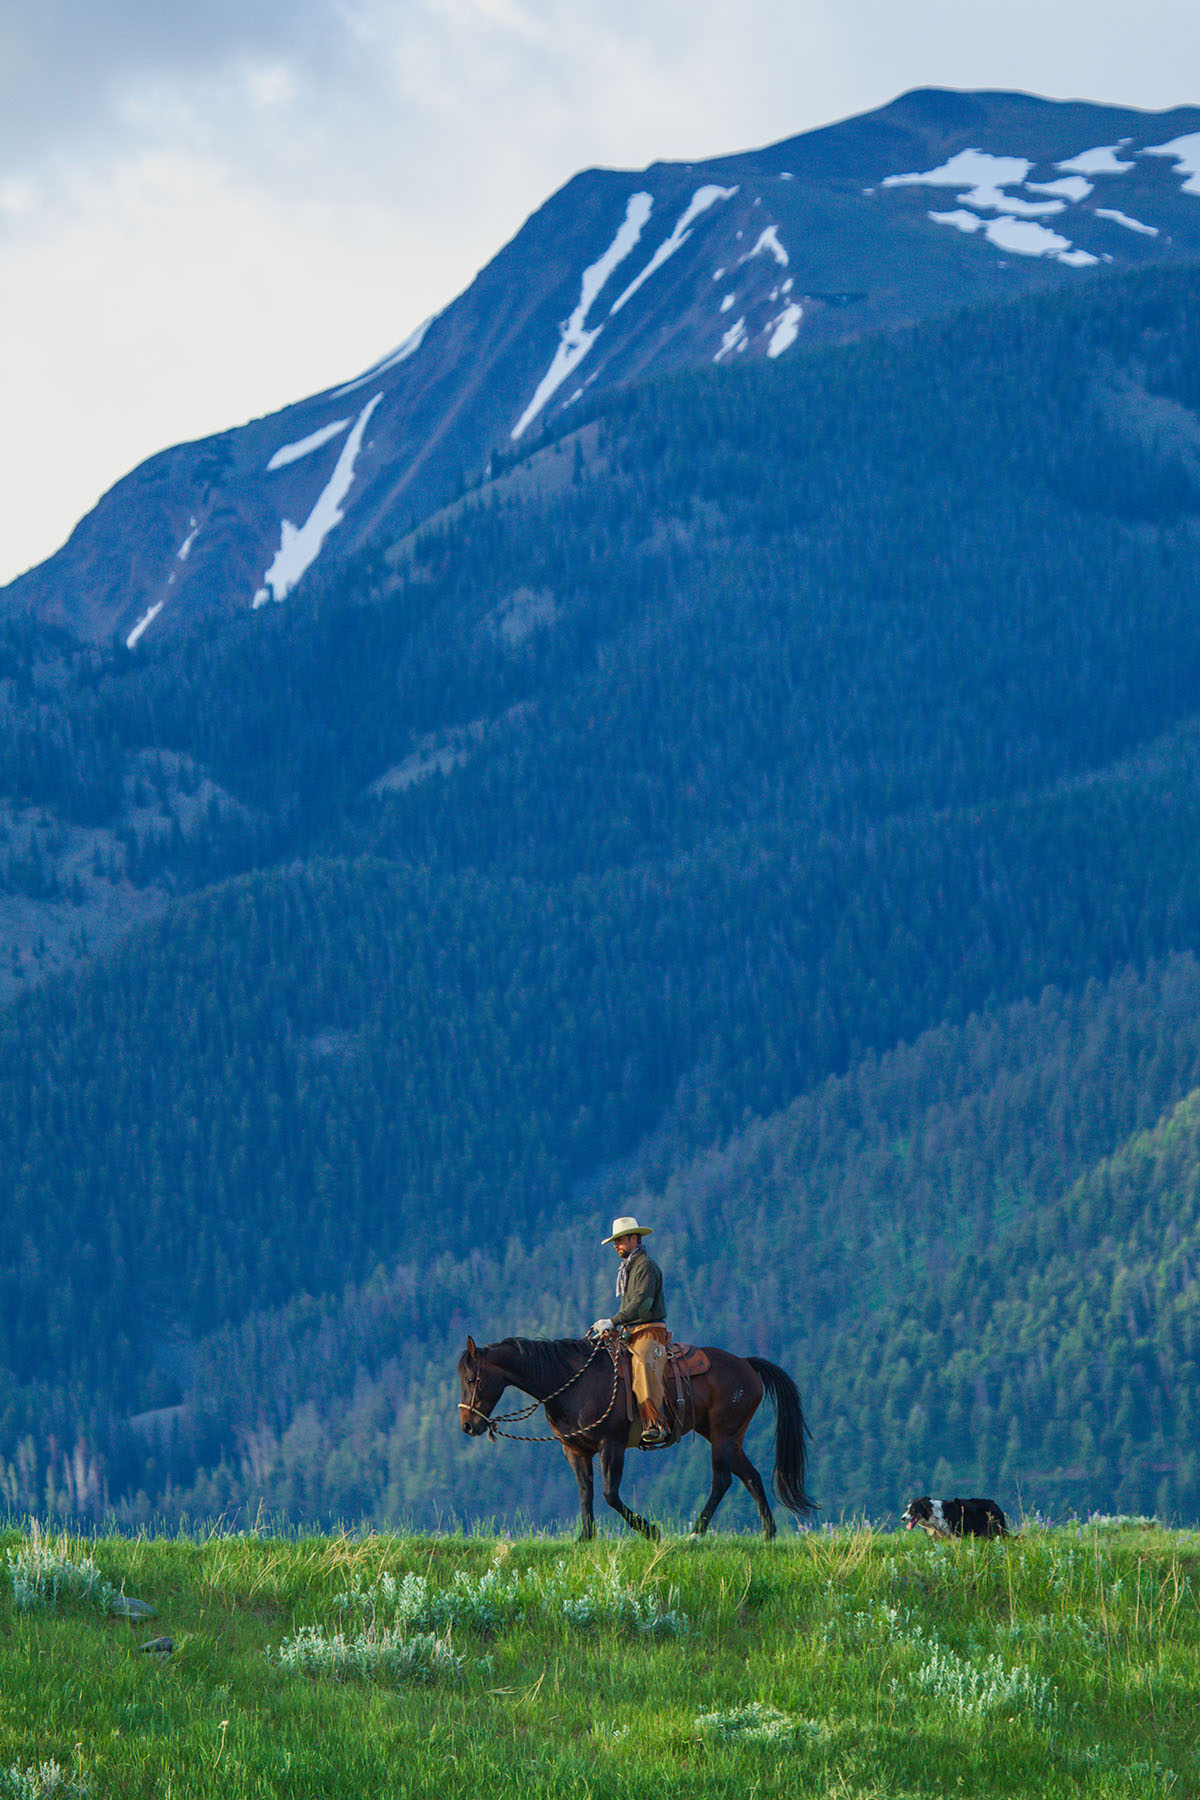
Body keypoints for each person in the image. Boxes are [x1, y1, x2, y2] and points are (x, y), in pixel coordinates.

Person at [590, 1214, 669, 1446]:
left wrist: (613, 1321)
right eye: (615, 1241)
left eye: (620, 1240)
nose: (616, 1245)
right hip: (630, 1331)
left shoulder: (645, 1266)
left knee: (643, 1363)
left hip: (649, 1331)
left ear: (635, 1239)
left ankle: (655, 1423)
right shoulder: (629, 1268)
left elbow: (642, 1304)